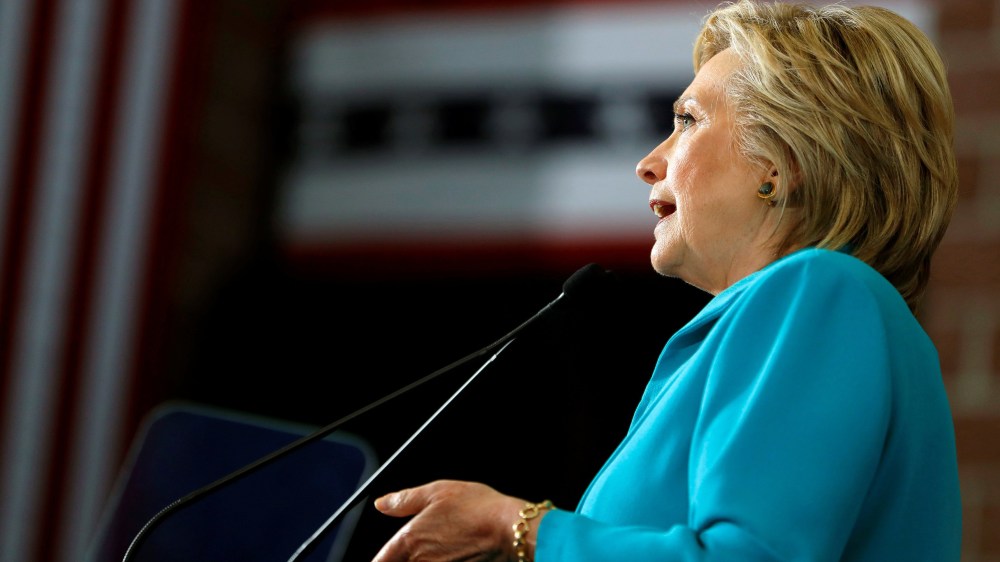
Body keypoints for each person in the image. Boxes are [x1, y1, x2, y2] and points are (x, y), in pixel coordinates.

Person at [369, 1, 963, 560]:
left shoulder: (820, 291)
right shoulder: (819, 313)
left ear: (781, 164)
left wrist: (516, 528)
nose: (648, 162)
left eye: (687, 120)